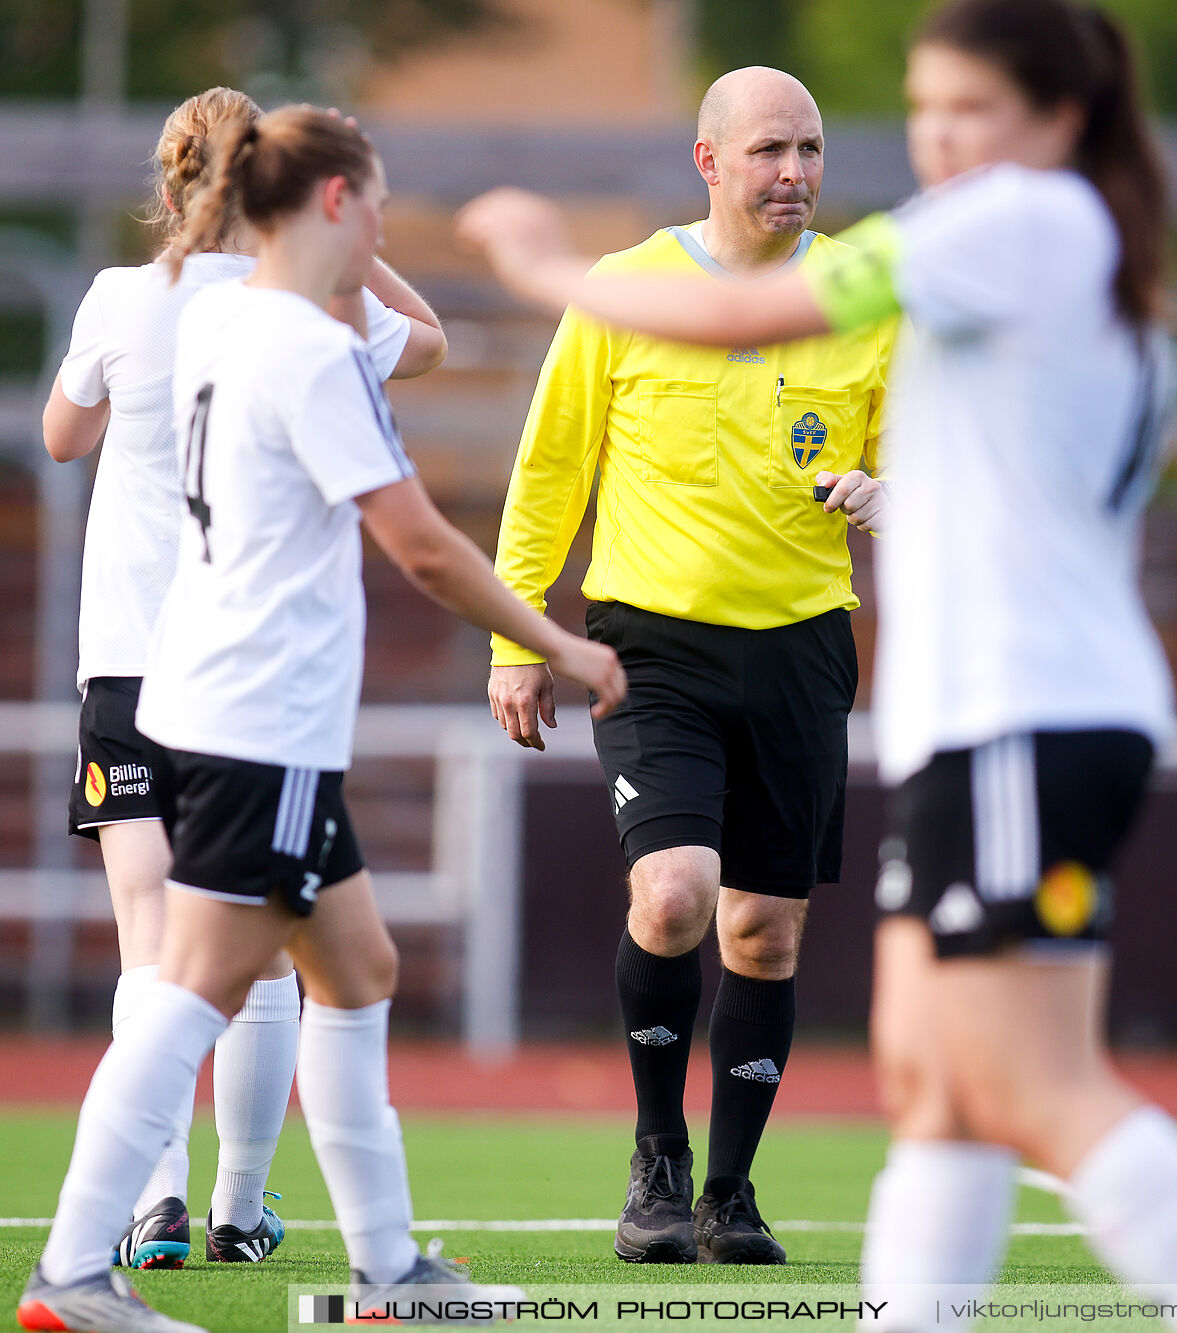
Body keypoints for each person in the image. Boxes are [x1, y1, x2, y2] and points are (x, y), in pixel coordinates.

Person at [458, 0, 1177, 1326]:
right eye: (923, 111)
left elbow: (750, 321)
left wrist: (537, 266)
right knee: (933, 1076)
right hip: (967, 711)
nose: (934, 139)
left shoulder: (1015, 224)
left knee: (1033, 1084)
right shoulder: (1036, 242)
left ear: (1059, 118)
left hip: (1029, 709)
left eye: (969, 108)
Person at [17, 106, 625, 1333]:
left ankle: (389, 1273)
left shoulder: (215, 316)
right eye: (380, 202)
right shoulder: (302, 343)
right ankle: (76, 1272)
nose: (391, 224)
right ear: (334, 205)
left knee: (357, 969)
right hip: (262, 719)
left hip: (213, 700)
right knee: (194, 989)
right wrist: (559, 640)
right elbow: (421, 543)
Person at [485, 67, 891, 1264]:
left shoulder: (863, 298)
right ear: (709, 162)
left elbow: (937, 467)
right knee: (672, 894)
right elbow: (549, 472)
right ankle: (656, 1156)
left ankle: (730, 1190)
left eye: (812, 149)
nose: (797, 174)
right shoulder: (625, 290)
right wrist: (520, 638)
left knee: (763, 931)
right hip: (648, 644)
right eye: (771, 150)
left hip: (805, 646)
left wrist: (890, 492)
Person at [40, 87, 449, 1274]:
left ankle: (148, 1210)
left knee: (149, 937)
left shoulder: (126, 298)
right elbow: (429, 344)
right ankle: (239, 1203)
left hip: (126, 653)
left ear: (169, 189)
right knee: (269, 953)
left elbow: (66, 437)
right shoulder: (307, 309)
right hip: (243, 672)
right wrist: (363, 252)